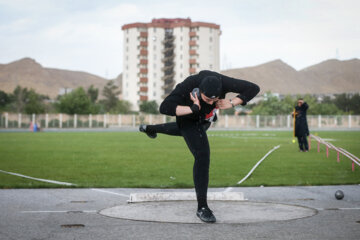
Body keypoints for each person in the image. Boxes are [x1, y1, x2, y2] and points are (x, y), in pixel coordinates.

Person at [139, 70, 260, 223]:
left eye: (214, 99)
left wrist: (232, 102)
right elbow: (165, 107)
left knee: (191, 133)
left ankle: (150, 128)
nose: (211, 102)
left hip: (205, 120)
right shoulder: (187, 86)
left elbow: (253, 88)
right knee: (202, 155)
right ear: (198, 92)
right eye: (208, 99)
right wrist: (193, 108)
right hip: (188, 117)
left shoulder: (222, 82)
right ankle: (202, 208)